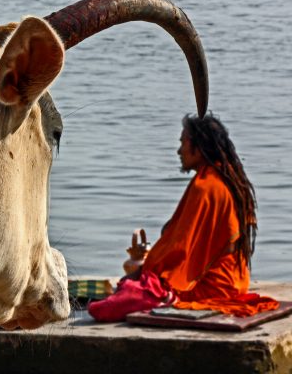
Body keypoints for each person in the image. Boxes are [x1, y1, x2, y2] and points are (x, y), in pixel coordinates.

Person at [88, 113, 278, 322]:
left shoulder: (206, 187)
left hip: (209, 288)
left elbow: (180, 251)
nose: (179, 151)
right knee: (129, 285)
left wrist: (146, 272)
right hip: (236, 282)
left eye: (183, 143)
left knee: (111, 304)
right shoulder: (230, 178)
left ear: (199, 145)